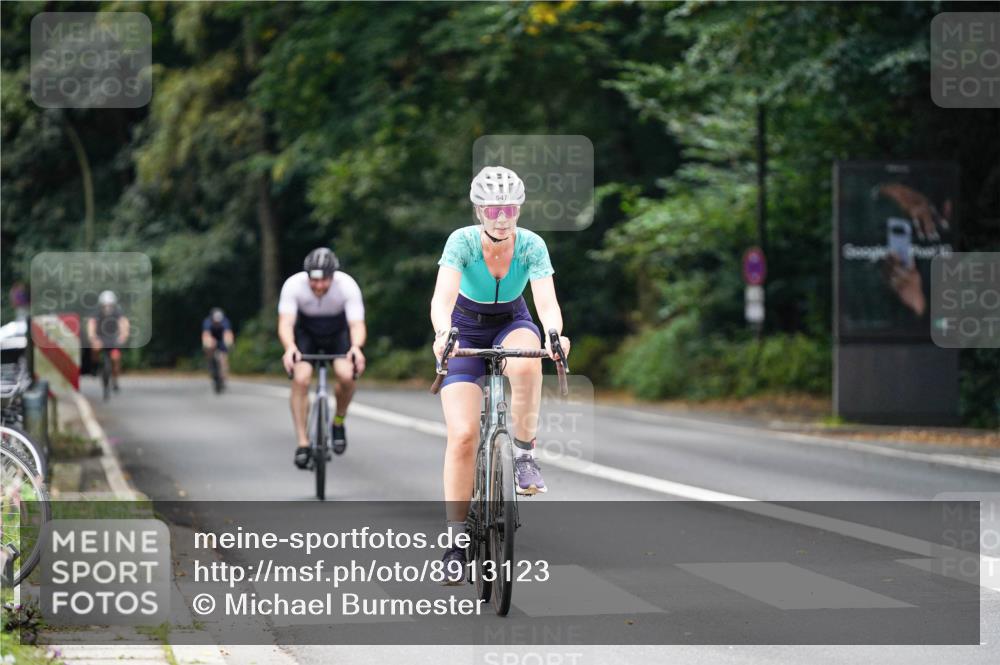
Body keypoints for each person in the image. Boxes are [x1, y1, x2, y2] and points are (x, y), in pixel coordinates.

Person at [430, 166, 571, 583]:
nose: (502, 217)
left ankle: (525, 455)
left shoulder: (531, 246)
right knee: (462, 437)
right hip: (465, 327)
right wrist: (443, 334)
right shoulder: (461, 242)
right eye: (493, 210)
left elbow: (546, 302)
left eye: (509, 208)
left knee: (527, 361)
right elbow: (442, 298)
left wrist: (555, 336)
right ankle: (455, 543)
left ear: (519, 209)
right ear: (478, 211)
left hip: (513, 320)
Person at [278, 248, 367, 469]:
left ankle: (338, 421)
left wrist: (356, 347)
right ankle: (302, 443)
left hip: (337, 333)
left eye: (324, 281)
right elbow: (286, 322)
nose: (318, 286)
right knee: (301, 379)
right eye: (314, 281)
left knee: (347, 375)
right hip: (306, 333)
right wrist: (290, 348)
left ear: (333, 276)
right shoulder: (293, 285)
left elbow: (356, 324)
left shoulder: (347, 286)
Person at [87, 290, 130, 390]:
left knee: (116, 358)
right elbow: (91, 324)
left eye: (110, 305)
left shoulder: (117, 312)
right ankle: (95, 366)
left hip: (113, 339)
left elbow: (123, 323)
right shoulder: (97, 313)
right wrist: (92, 337)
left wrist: (123, 335)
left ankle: (115, 380)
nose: (107, 307)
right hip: (100, 338)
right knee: (95, 349)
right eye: (105, 305)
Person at [202, 307, 235, 387]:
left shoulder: (225, 321)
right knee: (208, 347)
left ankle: (223, 375)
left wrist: (229, 343)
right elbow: (206, 334)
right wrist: (208, 344)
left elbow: (228, 333)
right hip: (212, 338)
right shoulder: (207, 322)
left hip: (221, 340)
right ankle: (210, 365)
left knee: (224, 358)